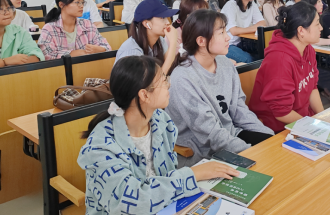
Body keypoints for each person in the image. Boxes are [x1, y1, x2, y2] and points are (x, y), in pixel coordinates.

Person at [78, 55, 240, 215]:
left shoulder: (162, 121)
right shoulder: (100, 146)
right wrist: (193, 174)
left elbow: (167, 177)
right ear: (144, 95)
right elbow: (133, 204)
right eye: (163, 81)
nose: (169, 84)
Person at [166, 10, 274, 166]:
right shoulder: (183, 78)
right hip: (201, 151)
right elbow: (210, 134)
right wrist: (250, 151)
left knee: (273, 147)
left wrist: (268, 136)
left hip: (229, 135)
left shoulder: (225, 64)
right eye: (221, 32)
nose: (228, 37)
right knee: (265, 162)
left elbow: (239, 110)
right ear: (201, 41)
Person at [249, 2, 325, 133]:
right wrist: (312, 128)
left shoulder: (308, 50)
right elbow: (281, 113)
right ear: (301, 30)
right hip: (278, 127)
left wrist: (323, 119)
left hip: (302, 119)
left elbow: (312, 88)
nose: (321, 28)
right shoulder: (279, 60)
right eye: (317, 23)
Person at [38, 0, 111, 60]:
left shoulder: (87, 25)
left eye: (82, 2)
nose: (82, 6)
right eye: (77, 2)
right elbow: (47, 56)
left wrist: (101, 49)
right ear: (61, 4)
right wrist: (78, 53)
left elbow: (107, 47)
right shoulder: (49, 29)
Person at [115, 0, 179, 74]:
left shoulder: (160, 41)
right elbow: (158, 80)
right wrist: (173, 42)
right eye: (162, 18)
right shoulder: (132, 51)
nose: (167, 22)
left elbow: (171, 69)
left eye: (167, 18)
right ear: (146, 24)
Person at [221, 0, 266, 64]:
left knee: (263, 55)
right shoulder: (231, 6)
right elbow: (234, 31)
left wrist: (243, 29)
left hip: (243, 42)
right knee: (250, 60)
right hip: (228, 44)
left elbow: (262, 23)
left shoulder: (252, 4)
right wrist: (254, 28)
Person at [0, 0, 44, 66]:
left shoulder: (18, 31)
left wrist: (16, 64)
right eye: (0, 9)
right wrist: (6, 61)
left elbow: (36, 56)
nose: (7, 12)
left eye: (8, 8)